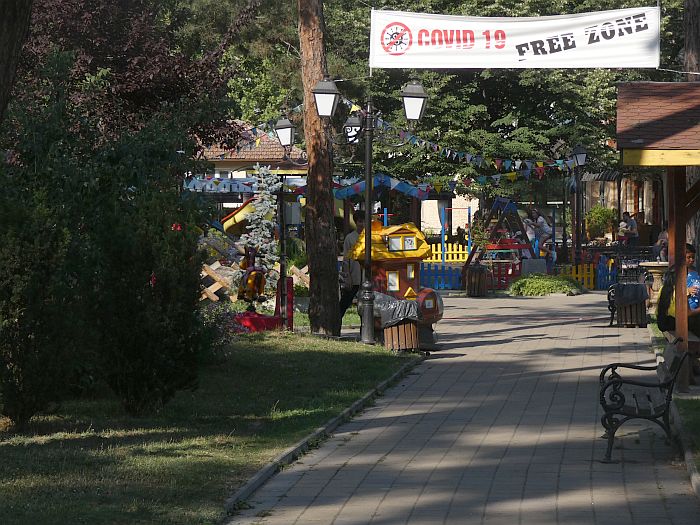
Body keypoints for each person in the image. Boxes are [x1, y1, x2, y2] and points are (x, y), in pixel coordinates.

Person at [657, 244, 700, 336]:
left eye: (693, 257)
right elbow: (688, 313)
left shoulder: (664, 288)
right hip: (674, 322)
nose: (691, 260)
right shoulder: (681, 291)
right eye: (688, 257)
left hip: (664, 322)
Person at [339, 210, 364, 322]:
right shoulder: (350, 238)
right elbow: (346, 259)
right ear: (356, 222)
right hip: (354, 276)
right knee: (345, 302)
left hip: (367, 278)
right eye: (360, 221)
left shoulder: (371, 236)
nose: (362, 224)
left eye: (364, 221)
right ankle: (337, 322)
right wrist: (347, 276)